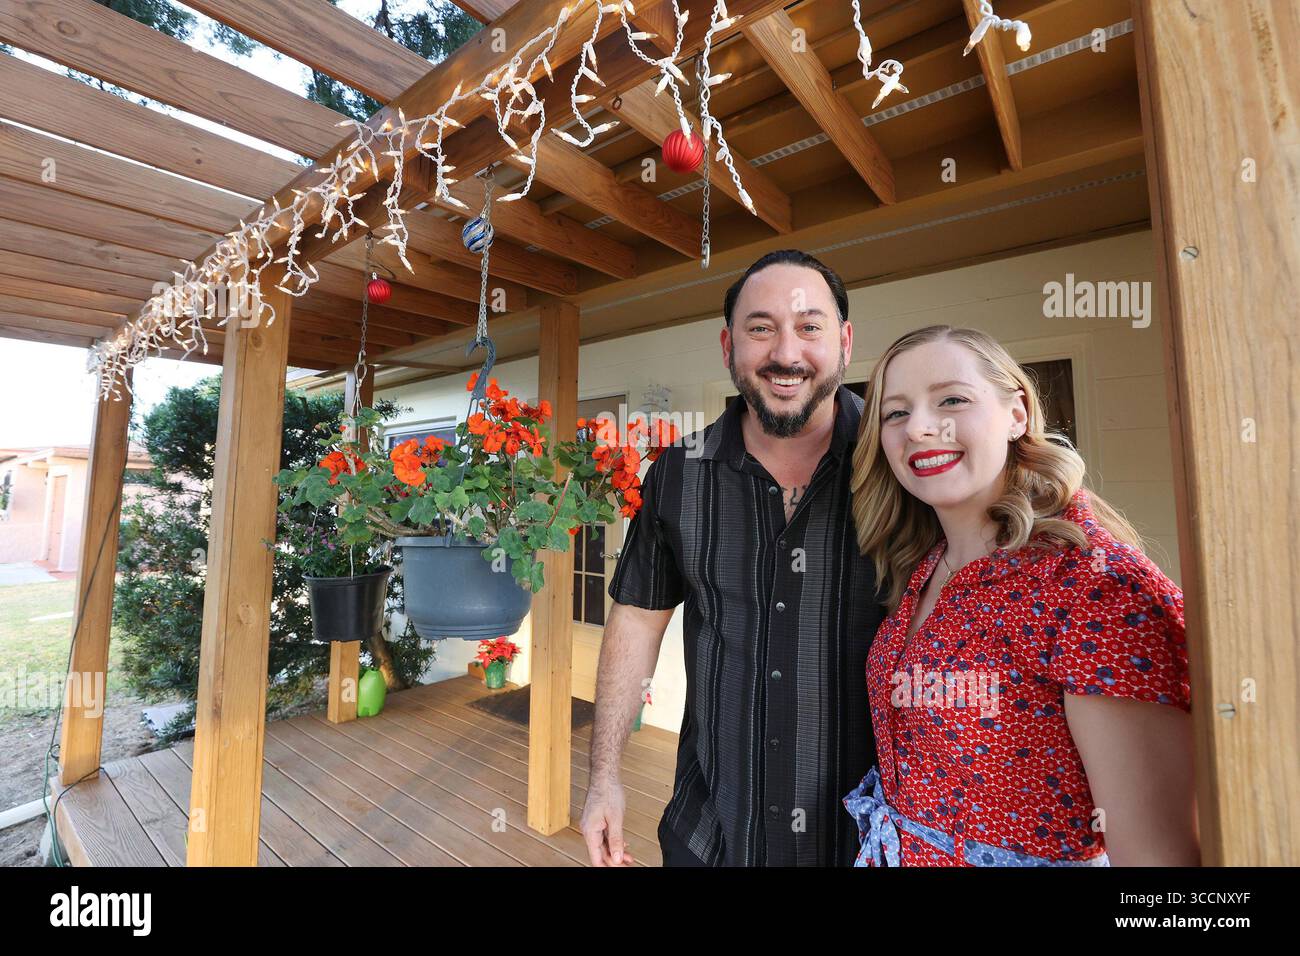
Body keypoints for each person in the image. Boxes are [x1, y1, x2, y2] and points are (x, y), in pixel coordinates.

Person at [843, 324, 1199, 866]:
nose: (920, 428)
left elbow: (1158, 863)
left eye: (952, 399)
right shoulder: (922, 566)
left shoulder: (1093, 588)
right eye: (895, 412)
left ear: (1018, 414)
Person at [580, 249, 885, 866]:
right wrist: (605, 774)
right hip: (712, 832)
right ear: (728, 347)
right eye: (761, 328)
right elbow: (637, 619)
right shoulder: (676, 474)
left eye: (809, 327)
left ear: (845, 342)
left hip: (869, 841)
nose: (786, 353)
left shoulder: (900, 467)